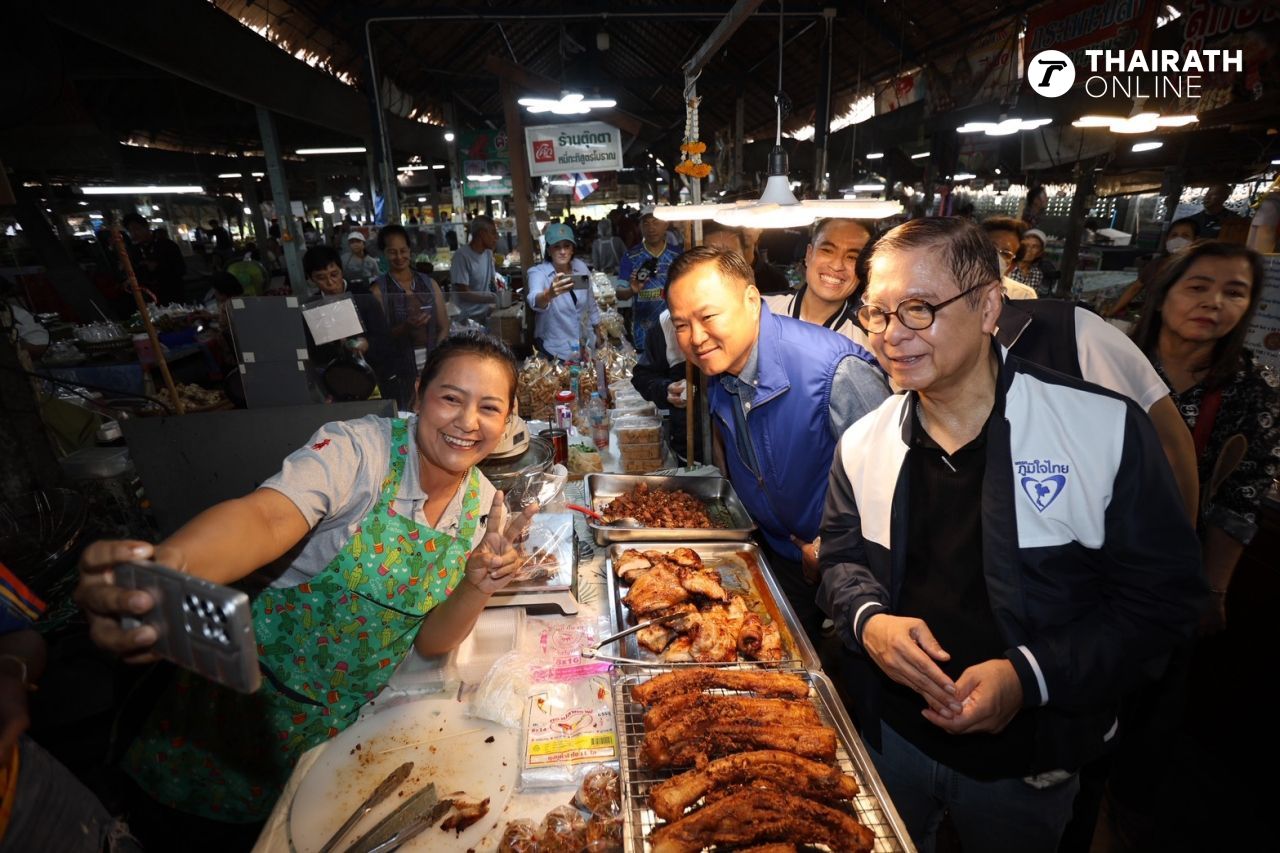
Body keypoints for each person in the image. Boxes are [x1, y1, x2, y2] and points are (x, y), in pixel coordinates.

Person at [817, 217, 1204, 853]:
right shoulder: (866, 440)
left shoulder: (1100, 430)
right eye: (878, 313)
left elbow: (1161, 603)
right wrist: (868, 622)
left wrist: (1028, 677)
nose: (892, 336)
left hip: (1030, 761)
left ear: (989, 305)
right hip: (892, 739)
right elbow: (840, 556)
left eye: (918, 309)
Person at [74, 333, 539, 825]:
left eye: (489, 408)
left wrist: (477, 586)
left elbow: (430, 640)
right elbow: (266, 518)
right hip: (241, 714)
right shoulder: (359, 451)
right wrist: (166, 571)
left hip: (341, 732)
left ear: (507, 421)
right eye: (451, 398)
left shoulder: (482, 509)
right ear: (419, 393)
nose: (467, 423)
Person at [664, 246, 891, 634]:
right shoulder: (720, 369)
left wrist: (828, 547)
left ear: (752, 301)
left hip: (848, 567)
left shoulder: (834, 372)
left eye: (707, 317)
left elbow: (894, 488)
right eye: (681, 324)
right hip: (778, 554)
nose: (695, 337)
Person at [1130, 241, 1278, 632]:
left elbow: (1240, 498)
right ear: (1162, 298)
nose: (1214, 302)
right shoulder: (1109, 365)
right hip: (1081, 557)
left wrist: (1214, 590)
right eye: (1198, 287)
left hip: (1173, 569)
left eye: (1234, 292)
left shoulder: (1251, 390)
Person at [370, 225, 449, 411]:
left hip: (431, 361)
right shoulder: (378, 290)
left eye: (403, 251)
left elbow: (444, 326)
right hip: (397, 369)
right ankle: (401, 442)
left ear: (410, 250)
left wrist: (436, 357)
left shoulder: (429, 284)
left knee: (433, 412)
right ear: (384, 254)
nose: (399, 257)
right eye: (392, 252)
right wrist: (405, 327)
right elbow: (379, 337)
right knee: (402, 417)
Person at [301, 246, 396, 400]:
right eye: (321, 277)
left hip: (372, 377)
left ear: (341, 271)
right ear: (311, 279)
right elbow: (314, 354)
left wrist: (367, 343)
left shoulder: (363, 296)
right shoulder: (313, 307)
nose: (330, 283)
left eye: (334, 274)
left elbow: (384, 338)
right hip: (335, 383)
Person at [763, 218, 873, 347]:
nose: (837, 265)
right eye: (827, 251)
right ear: (808, 255)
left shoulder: (865, 347)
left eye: (852, 257)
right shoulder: (759, 310)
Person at [526, 223, 601, 361]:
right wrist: (549, 294)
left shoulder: (580, 267)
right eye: (556, 247)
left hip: (584, 345)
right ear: (549, 250)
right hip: (556, 348)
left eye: (567, 246)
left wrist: (598, 330)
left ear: (572, 249)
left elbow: (590, 302)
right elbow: (533, 299)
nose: (562, 251)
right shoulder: (539, 273)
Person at [1105, 217, 1200, 318]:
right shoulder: (1156, 265)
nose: (1178, 239)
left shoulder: (1198, 269)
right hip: (1151, 318)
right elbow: (1135, 288)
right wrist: (1112, 311)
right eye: (1174, 235)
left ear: (1195, 240)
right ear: (1167, 239)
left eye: (1185, 236)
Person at [617, 210, 681, 352]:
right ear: (640, 227)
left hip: (675, 327)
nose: (651, 228)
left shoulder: (677, 255)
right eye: (646, 223)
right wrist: (631, 290)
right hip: (643, 332)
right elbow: (619, 293)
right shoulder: (631, 256)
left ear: (665, 225)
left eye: (655, 222)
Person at [123, 213, 186, 305]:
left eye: (137, 229)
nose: (134, 234)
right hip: (148, 299)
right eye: (130, 231)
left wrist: (158, 267)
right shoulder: (134, 250)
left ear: (146, 227)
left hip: (172, 295)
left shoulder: (167, 245)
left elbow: (181, 269)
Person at [449, 215, 500, 326]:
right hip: (466, 320)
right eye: (493, 233)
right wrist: (493, 298)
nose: (496, 238)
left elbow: (491, 282)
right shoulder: (461, 256)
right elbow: (463, 293)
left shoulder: (488, 253)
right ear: (482, 233)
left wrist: (499, 294)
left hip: (485, 315)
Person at [979, 217, 1039, 300]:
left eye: (1005, 254)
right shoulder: (957, 287)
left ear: (1012, 265)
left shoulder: (1024, 296)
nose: (996, 256)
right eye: (991, 248)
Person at [1008, 228, 1059, 297]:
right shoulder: (1007, 268)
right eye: (1026, 245)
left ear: (1040, 253)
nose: (1029, 249)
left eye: (1035, 247)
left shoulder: (1037, 274)